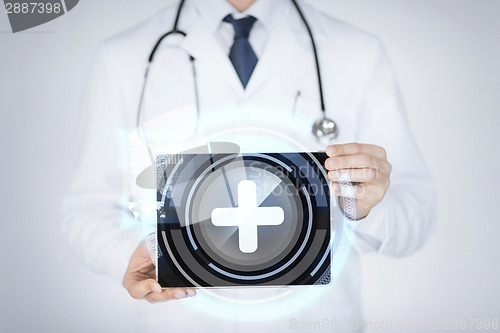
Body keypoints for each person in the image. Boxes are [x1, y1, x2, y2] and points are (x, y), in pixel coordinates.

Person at [62, 0, 436, 331]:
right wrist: (140, 253)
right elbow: (87, 209)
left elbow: (416, 213)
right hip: (183, 320)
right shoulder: (125, 57)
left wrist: (364, 208)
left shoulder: (356, 52)